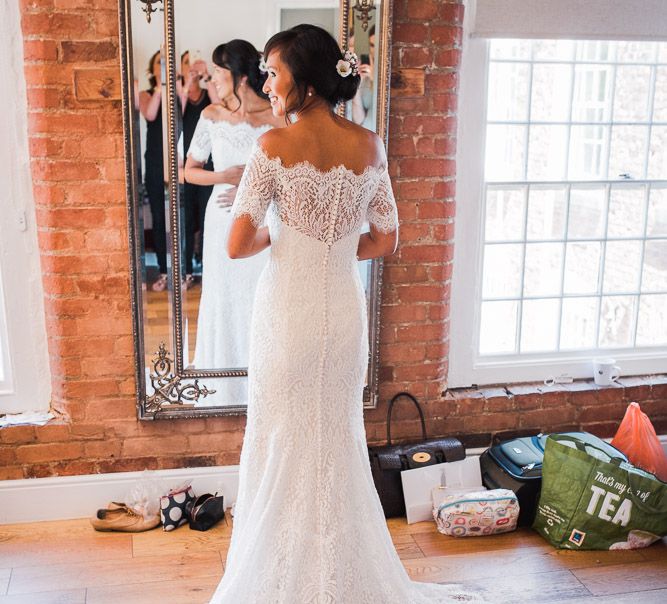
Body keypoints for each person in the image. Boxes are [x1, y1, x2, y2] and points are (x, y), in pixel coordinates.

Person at [209, 24, 480, 603]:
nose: (266, 82)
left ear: (304, 82)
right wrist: (331, 246)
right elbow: (386, 238)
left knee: (282, 439)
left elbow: (236, 244)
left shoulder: (271, 148)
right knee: (335, 439)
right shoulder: (369, 145)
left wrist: (286, 239)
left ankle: (284, 577)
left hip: (287, 314)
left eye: (274, 73)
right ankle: (342, 576)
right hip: (340, 310)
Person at [184, 40, 282, 383]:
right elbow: (189, 170)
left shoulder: (276, 117)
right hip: (222, 216)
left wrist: (255, 187)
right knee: (222, 294)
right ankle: (223, 378)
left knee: (260, 292)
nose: (213, 80)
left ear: (240, 77)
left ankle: (261, 376)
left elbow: (294, 171)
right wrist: (222, 176)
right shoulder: (211, 116)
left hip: (264, 217)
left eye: (219, 73)